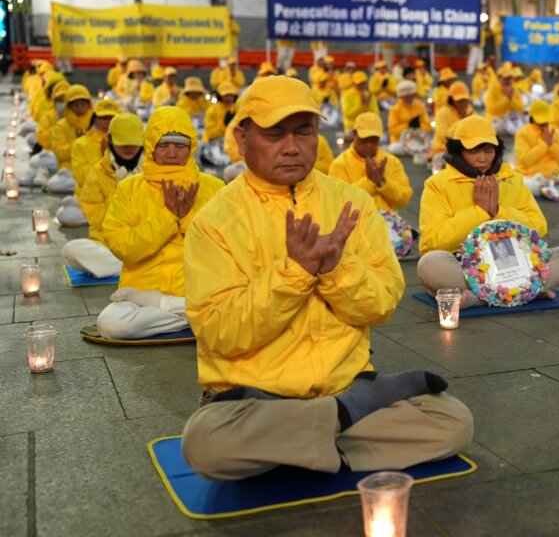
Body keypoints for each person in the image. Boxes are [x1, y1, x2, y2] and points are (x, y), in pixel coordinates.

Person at [178, 75, 471, 480]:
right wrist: (295, 273)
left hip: (344, 384)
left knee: (454, 422)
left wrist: (335, 269)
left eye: (304, 131)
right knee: (206, 445)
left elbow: (382, 304)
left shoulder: (352, 204)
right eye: (274, 133)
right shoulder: (215, 222)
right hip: (255, 402)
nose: (292, 146)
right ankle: (341, 424)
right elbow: (221, 332)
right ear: (242, 138)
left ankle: (306, 442)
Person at [417, 115, 559, 300]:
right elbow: (433, 242)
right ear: (458, 151)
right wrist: (479, 213)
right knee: (429, 264)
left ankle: (478, 298)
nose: (482, 158)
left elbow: (539, 226)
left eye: (488, 150)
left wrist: (497, 212)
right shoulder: (437, 184)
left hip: (517, 265)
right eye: (473, 151)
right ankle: (529, 291)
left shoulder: (511, 178)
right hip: (466, 266)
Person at [97, 107, 224, 339]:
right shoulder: (130, 188)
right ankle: (191, 317)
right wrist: (167, 217)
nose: (172, 154)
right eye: (164, 146)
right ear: (151, 148)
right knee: (110, 325)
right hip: (143, 293)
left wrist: (185, 218)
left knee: (245, 309)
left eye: (180, 146)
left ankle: (178, 311)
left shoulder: (214, 187)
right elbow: (124, 248)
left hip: (200, 290)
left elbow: (222, 248)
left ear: (192, 148)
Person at [64, 114, 145, 279]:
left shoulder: (152, 169)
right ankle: (136, 268)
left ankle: (131, 266)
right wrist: (120, 198)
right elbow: (94, 216)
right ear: (110, 140)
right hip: (109, 245)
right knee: (70, 250)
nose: (129, 147)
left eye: (133, 143)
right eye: (123, 142)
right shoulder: (98, 171)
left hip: (146, 242)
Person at [329, 113, 413, 213]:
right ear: (354, 134)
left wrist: (382, 182)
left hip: (388, 223)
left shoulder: (392, 161)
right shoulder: (339, 164)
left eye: (374, 140)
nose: (369, 145)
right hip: (355, 223)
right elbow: (339, 200)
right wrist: (370, 182)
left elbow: (403, 199)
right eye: (364, 139)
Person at [70, 97, 121, 185]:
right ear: (94, 119)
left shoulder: (126, 143)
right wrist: (104, 158)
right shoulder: (80, 144)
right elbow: (81, 178)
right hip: (88, 195)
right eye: (104, 118)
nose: (108, 122)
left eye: (112, 118)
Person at [49, 84, 94, 171]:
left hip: (92, 170)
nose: (79, 108)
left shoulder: (96, 124)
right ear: (68, 106)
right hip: (69, 169)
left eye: (83, 104)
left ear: (89, 105)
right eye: (76, 105)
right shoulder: (61, 125)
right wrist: (77, 142)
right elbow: (59, 153)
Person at [386, 80, 432, 156]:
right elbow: (392, 130)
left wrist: (418, 126)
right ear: (401, 96)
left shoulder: (420, 106)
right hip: (400, 141)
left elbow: (428, 126)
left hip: (419, 139)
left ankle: (416, 151)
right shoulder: (394, 109)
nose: (409, 97)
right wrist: (408, 125)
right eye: (406, 96)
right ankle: (418, 151)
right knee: (393, 148)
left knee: (433, 144)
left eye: (411, 95)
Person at [431, 82, 473, 157]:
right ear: (451, 99)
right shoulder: (442, 112)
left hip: (466, 149)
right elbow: (444, 137)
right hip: (444, 148)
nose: (463, 103)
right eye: (459, 101)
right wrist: (461, 121)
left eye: (465, 100)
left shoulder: (470, 111)